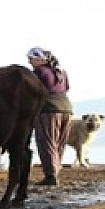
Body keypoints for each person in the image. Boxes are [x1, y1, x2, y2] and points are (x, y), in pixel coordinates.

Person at [27, 47, 72, 186]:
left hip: (48, 109)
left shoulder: (39, 72)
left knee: (46, 141)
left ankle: (51, 176)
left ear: (40, 59)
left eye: (31, 58)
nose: (29, 61)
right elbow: (67, 88)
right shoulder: (61, 71)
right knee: (59, 142)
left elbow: (33, 90)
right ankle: (55, 171)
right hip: (67, 108)